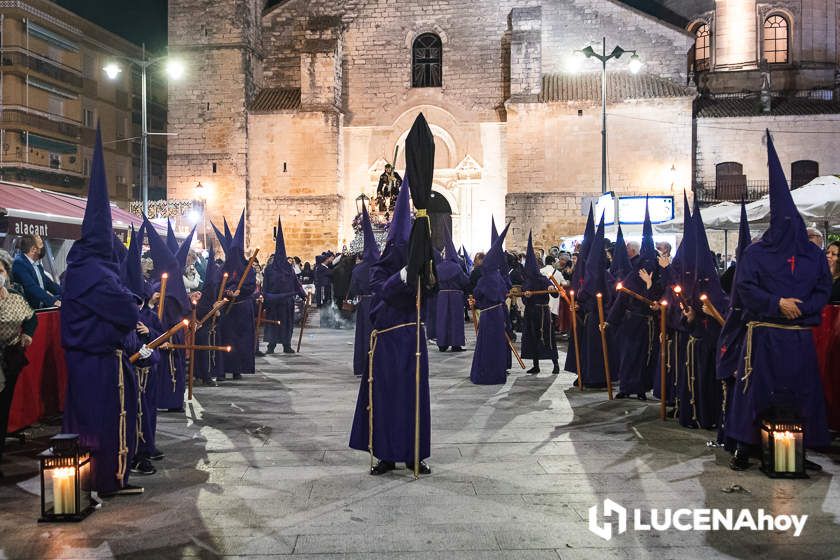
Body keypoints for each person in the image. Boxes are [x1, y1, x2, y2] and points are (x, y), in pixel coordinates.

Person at [727, 132, 831, 471]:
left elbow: (823, 290)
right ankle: (744, 444)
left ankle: (802, 448)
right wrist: (776, 303)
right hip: (765, 337)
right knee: (756, 389)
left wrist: (800, 307)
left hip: (798, 337)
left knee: (801, 390)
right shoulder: (755, 254)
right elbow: (744, 288)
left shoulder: (813, 256)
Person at [61, 129, 143, 496]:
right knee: (103, 423)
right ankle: (106, 478)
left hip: (83, 363)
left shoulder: (77, 270)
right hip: (98, 362)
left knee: (85, 423)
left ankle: (88, 479)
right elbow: (126, 306)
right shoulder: (97, 274)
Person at [348, 177, 431, 475]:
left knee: (413, 397)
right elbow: (384, 293)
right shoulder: (380, 270)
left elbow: (427, 295)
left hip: (413, 341)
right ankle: (385, 454)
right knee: (384, 397)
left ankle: (414, 454)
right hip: (385, 343)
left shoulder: (420, 268)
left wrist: (424, 272)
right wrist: (404, 275)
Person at [0, 249, 37, 477]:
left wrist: (28, 334)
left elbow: (31, 317)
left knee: (3, 409)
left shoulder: (15, 296)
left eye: (1, 270)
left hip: (10, 358)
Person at [469, 223, 512, 385]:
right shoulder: (499, 277)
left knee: (487, 344)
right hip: (499, 313)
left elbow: (478, 294)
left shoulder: (484, 279)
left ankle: (486, 373)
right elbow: (504, 291)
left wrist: (475, 302)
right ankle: (498, 372)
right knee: (498, 343)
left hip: (488, 314)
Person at [261, 216, 307, 355]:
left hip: (287, 303)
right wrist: (265, 298)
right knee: (273, 324)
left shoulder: (289, 269)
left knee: (287, 325)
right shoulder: (269, 270)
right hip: (274, 303)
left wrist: (303, 295)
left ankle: (286, 344)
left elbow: (296, 283)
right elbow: (266, 286)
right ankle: (271, 345)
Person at [520, 233, 560, 374]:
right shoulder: (526, 282)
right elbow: (524, 299)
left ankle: (555, 364)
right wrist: (526, 296)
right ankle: (536, 365)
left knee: (547, 338)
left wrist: (551, 289)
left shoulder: (543, 279)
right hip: (531, 312)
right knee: (533, 339)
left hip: (543, 313)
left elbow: (555, 292)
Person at [349, 202, 380, 376]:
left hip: (364, 304)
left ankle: (362, 365)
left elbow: (353, 290)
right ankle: (378, 364)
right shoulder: (381, 268)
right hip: (379, 304)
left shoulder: (358, 269)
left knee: (363, 335)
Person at [435, 226, 470, 353]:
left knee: (443, 319)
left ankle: (442, 344)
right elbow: (465, 281)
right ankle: (456, 344)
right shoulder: (456, 267)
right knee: (455, 320)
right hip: (455, 296)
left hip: (442, 296)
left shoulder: (438, 267)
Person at [12, 234, 61, 309]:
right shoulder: (19, 263)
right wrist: (53, 301)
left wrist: (67, 294)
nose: (43, 247)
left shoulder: (36, 264)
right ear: (33, 249)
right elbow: (31, 287)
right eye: (41, 244)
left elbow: (49, 284)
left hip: (40, 308)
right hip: (28, 312)